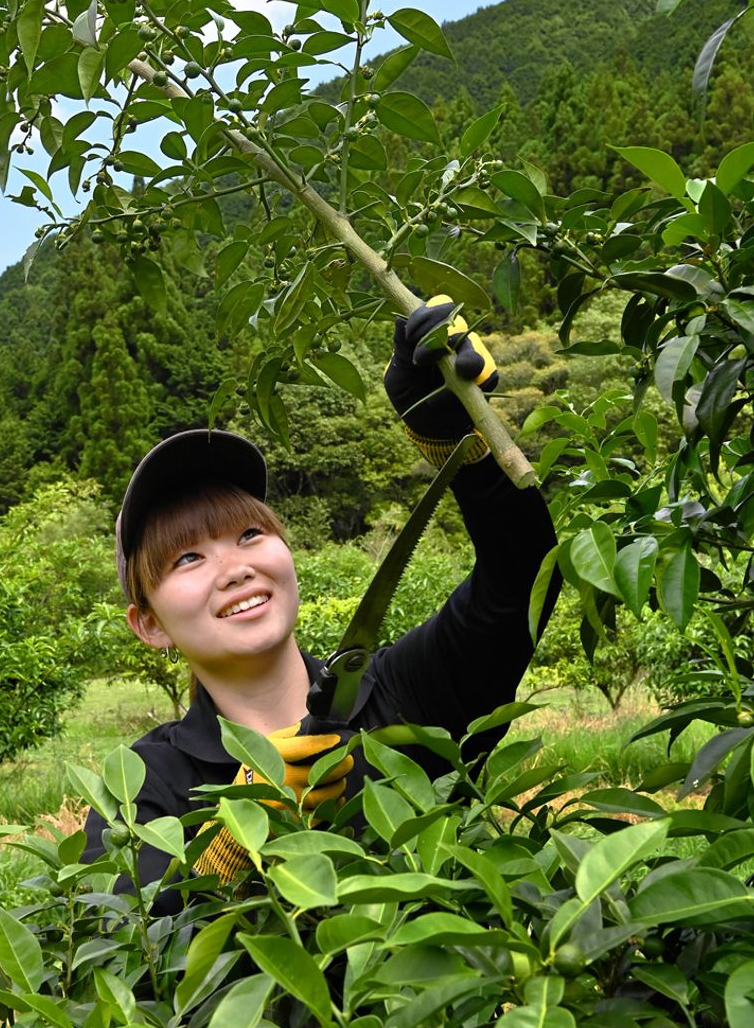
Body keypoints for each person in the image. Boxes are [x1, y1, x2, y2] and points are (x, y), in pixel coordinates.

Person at [82, 299, 559, 903]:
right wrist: (235, 837)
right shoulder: (144, 784)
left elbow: (522, 577)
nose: (235, 568)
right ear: (148, 624)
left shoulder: (402, 693)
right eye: (187, 559)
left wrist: (456, 434)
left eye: (249, 535)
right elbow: (129, 943)